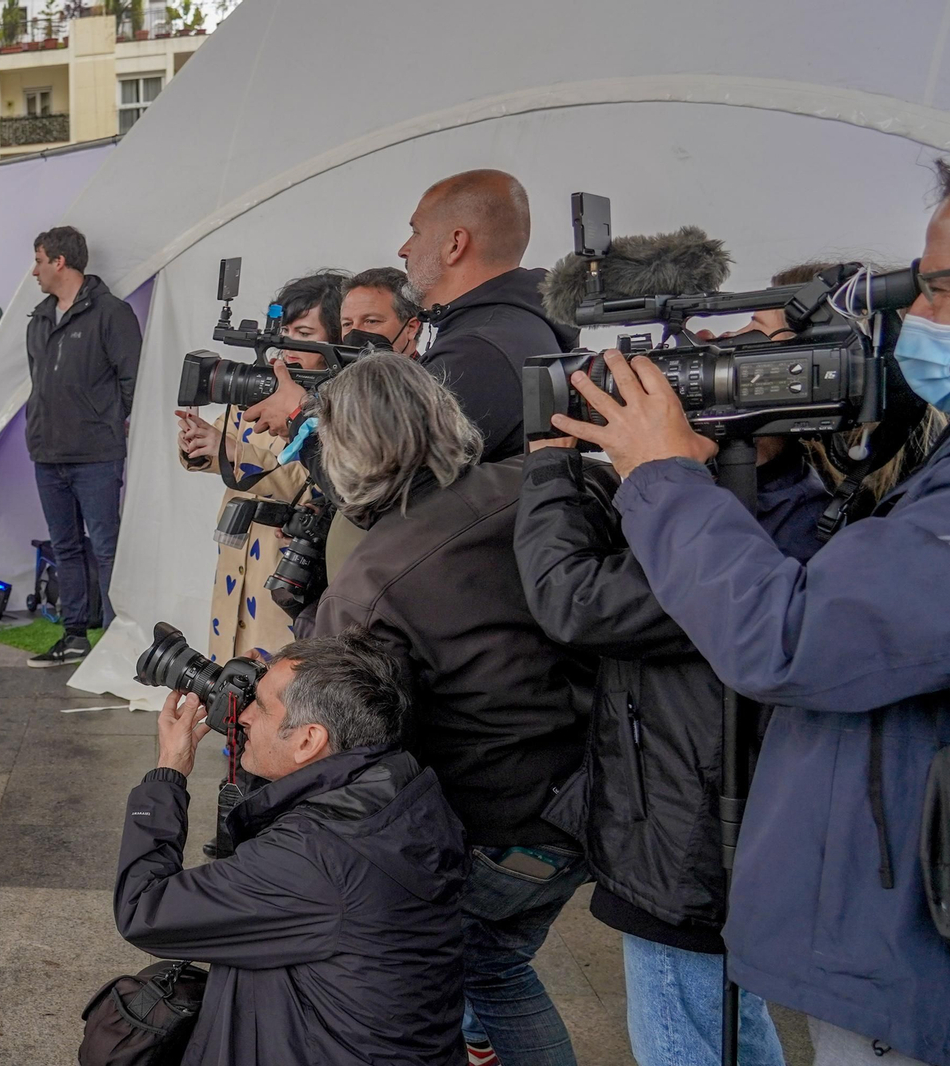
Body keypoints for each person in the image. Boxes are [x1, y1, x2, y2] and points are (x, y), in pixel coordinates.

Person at [546, 159, 950, 1066]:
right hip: (857, 893)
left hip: (843, 903)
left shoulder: (821, 506)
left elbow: (780, 637)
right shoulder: (898, 482)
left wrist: (653, 475)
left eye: (937, 292)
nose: (925, 319)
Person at [512, 268, 848, 1066]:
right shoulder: (759, 491)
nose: (719, 353)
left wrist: (552, 463)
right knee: (726, 1025)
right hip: (685, 818)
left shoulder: (757, 523)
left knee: (684, 1037)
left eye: (754, 339)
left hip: (692, 840)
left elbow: (575, 599)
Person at [298, 353, 593, 1066]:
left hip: (508, 824)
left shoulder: (371, 581)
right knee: (489, 961)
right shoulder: (546, 481)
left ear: (345, 450)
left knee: (480, 967)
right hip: (602, 793)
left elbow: (342, 747)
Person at [115, 628, 469, 1066]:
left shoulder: (312, 856)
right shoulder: (399, 785)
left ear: (308, 740)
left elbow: (143, 910)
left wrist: (169, 773)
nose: (241, 716)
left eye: (259, 706)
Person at [248, 171, 579, 463]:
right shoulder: (506, 329)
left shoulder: (478, 351)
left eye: (416, 232)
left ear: (455, 244)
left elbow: (379, 481)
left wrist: (298, 418)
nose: (404, 249)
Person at [176, 272, 344, 663]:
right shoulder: (260, 382)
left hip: (289, 559)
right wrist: (197, 443)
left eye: (303, 333)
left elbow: (319, 484)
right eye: (285, 330)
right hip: (237, 551)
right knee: (229, 664)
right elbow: (220, 446)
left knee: (276, 671)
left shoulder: (337, 401)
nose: (288, 346)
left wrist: (233, 449)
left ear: (334, 338)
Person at [24, 225, 142, 666]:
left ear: (59, 261)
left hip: (96, 455)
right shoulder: (38, 317)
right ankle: (75, 637)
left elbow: (134, 379)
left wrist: (116, 420)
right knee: (66, 547)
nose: (34, 270)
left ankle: (117, 644)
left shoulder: (112, 313)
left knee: (107, 548)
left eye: (38, 260)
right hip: (46, 454)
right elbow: (38, 382)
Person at [339, 266, 424, 356]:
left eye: (371, 321)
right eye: (347, 324)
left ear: (411, 327)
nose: (354, 332)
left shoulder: (435, 368)